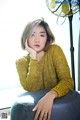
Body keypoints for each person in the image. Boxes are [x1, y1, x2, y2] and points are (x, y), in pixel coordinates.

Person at [16, 18, 74, 120]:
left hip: (62, 108)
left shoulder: (55, 50)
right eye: (32, 34)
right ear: (26, 38)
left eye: (42, 35)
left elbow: (68, 81)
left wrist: (51, 95)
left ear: (47, 38)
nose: (37, 39)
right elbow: (31, 88)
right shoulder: (21, 62)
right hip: (35, 112)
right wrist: (34, 58)